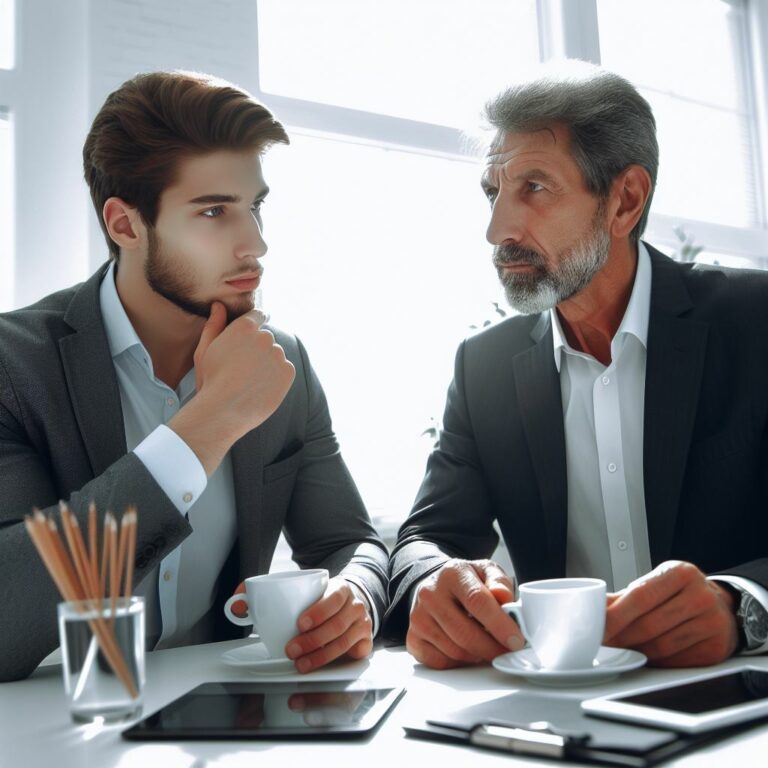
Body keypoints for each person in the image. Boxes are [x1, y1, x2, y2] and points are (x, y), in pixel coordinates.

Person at [0, 71, 388, 682]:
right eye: (213, 212)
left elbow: (349, 543)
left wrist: (355, 598)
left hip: (230, 719)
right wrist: (209, 423)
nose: (254, 245)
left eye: (254, 208)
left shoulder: (282, 361)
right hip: (56, 729)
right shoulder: (13, 365)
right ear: (125, 225)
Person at [383, 63, 768, 670]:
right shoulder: (483, 368)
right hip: (560, 714)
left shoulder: (757, 322)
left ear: (625, 200)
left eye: (534, 187)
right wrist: (436, 579)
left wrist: (742, 604)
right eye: (494, 192)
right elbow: (426, 541)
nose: (496, 229)